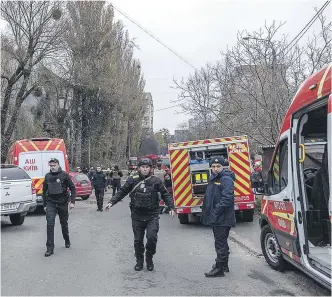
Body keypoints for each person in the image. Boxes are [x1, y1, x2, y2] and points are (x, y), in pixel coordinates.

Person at [105, 158, 176, 271]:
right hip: (137, 215)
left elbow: (165, 194)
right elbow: (122, 191)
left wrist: (171, 207)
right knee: (138, 240)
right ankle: (139, 260)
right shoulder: (132, 180)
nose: (145, 169)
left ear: (150, 168)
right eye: (143, 167)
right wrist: (111, 202)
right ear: (139, 168)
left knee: (151, 238)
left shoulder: (156, 181)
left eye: (147, 167)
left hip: (152, 215)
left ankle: (149, 257)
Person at [201, 156, 236, 277]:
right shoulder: (215, 178)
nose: (215, 169)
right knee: (222, 242)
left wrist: (215, 212)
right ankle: (224, 265)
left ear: (223, 167)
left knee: (220, 243)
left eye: (218, 166)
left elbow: (227, 199)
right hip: (219, 217)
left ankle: (219, 269)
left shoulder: (225, 179)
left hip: (222, 217)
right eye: (213, 166)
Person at [42, 158, 76, 257]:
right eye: (51, 166)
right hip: (51, 203)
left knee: (63, 223)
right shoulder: (47, 176)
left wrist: (72, 202)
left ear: (58, 165)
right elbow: (44, 191)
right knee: (50, 224)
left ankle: (67, 239)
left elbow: (73, 188)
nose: (52, 167)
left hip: (62, 202)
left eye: (54, 165)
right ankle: (49, 248)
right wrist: (44, 205)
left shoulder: (65, 175)